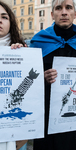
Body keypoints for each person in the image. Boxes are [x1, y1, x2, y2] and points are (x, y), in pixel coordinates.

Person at [30, 0, 76, 150]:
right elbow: (28, 82)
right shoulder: (39, 42)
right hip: (46, 122)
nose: (64, 12)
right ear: (52, 14)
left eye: (68, 7)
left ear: (75, 13)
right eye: (59, 8)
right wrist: (43, 79)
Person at [0, 1, 27, 150]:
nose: (0, 20)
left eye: (4, 17)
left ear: (11, 22)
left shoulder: (23, 53)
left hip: (14, 136)